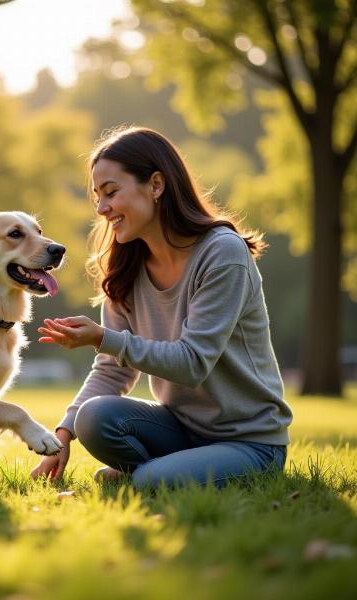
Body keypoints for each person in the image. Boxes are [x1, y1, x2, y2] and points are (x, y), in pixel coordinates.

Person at [31, 126, 292, 489]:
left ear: (155, 185)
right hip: (180, 429)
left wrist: (104, 338)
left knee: (148, 482)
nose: (102, 209)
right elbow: (112, 371)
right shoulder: (127, 268)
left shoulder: (222, 253)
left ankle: (152, 474)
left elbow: (193, 363)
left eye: (111, 192)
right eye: (98, 197)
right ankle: (169, 470)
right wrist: (62, 434)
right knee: (92, 417)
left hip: (249, 442)